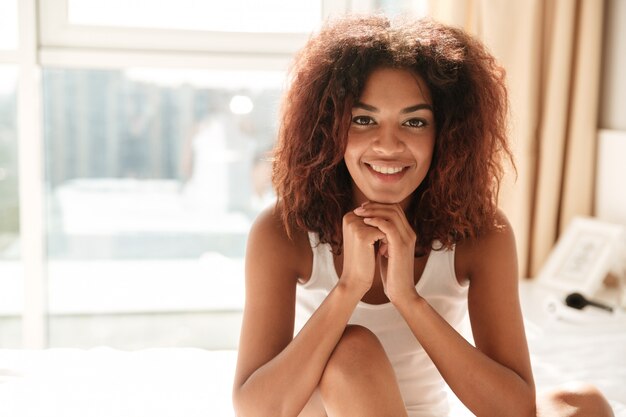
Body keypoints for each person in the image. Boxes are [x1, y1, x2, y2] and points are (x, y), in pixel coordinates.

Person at [232, 15, 615, 417]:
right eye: (364, 120)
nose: (388, 145)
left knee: (580, 404)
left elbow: (514, 408)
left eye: (414, 122)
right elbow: (257, 409)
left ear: (445, 133)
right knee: (352, 349)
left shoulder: (481, 232)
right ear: (331, 128)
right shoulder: (283, 230)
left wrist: (408, 299)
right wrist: (349, 288)